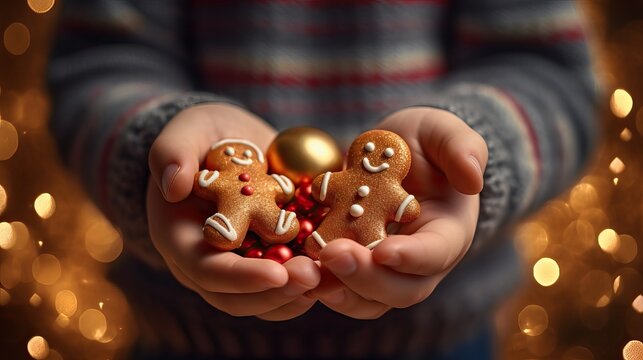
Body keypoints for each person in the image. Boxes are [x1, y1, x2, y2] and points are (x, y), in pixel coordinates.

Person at [48, 0, 599, 358]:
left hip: (443, 339)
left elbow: (552, 77)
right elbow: (100, 63)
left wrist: (471, 155)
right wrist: (156, 146)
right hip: (185, 338)